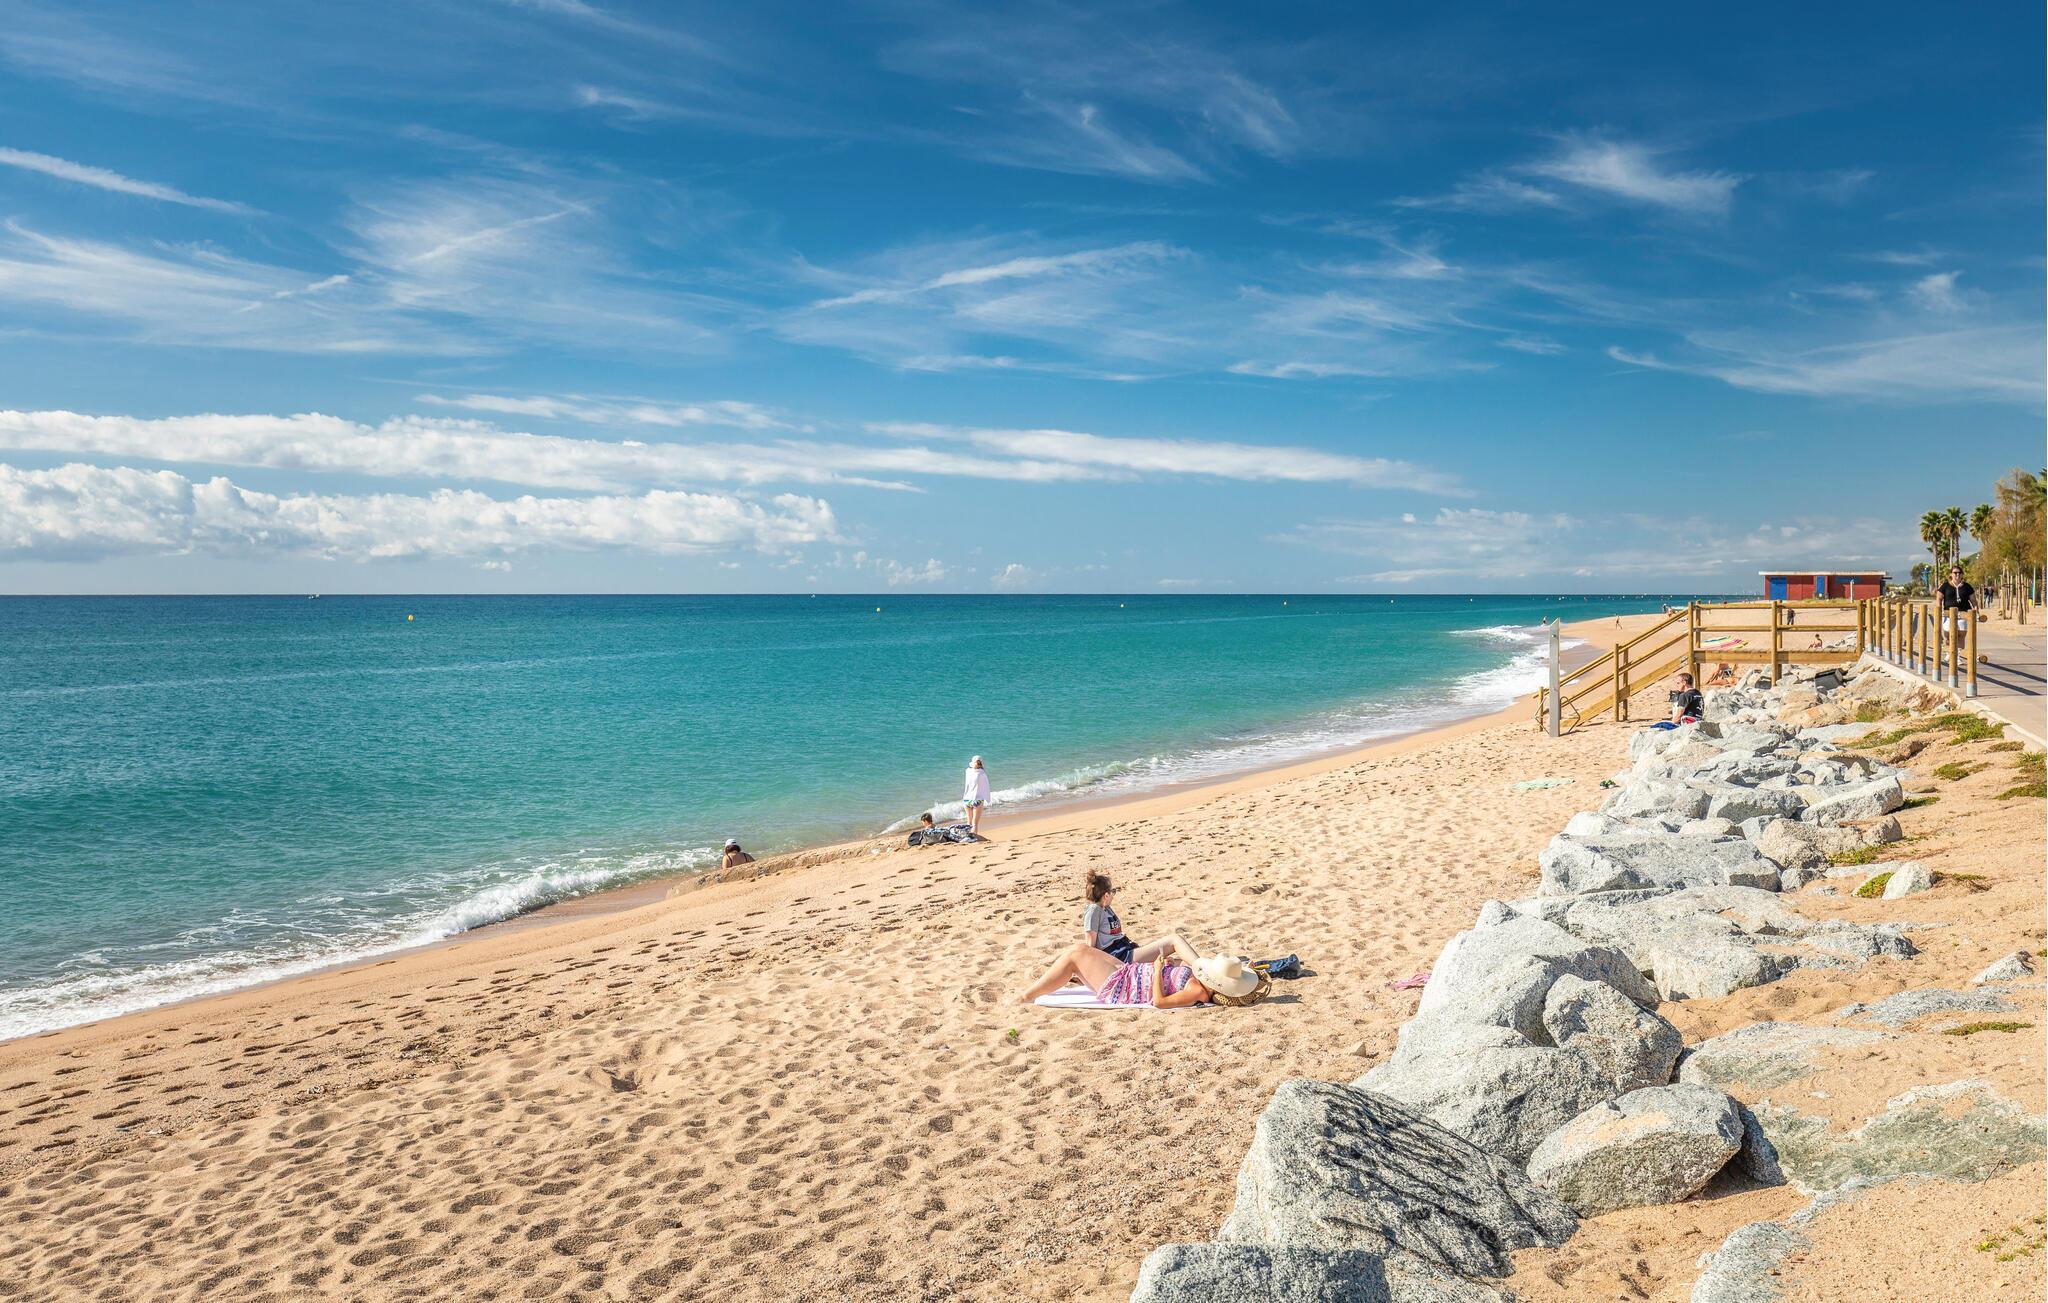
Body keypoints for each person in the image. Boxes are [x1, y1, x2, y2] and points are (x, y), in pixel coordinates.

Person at [1019, 937, 1269, 1008]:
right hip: (1131, 973)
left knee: (1075, 955)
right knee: (1080, 951)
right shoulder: (1197, 983)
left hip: (1124, 987)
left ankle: (1026, 997)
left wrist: (1158, 970)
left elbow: (1159, 1002)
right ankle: (1030, 994)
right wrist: (1169, 966)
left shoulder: (1198, 992)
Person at [1079, 871, 1190, 965]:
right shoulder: (1094, 910)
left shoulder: (1105, 908)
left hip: (1128, 951)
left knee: (1179, 963)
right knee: (1174, 940)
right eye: (1113, 891)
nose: (1114, 895)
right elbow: (1090, 947)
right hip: (1121, 957)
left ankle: (1200, 970)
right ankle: (1200, 968)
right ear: (1106, 895)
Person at [963, 755, 991, 836]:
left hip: (967, 799)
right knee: (975, 823)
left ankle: (967, 837)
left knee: (969, 821)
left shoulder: (968, 771)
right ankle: (973, 838)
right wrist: (987, 799)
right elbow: (986, 786)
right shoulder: (982, 773)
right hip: (977, 800)